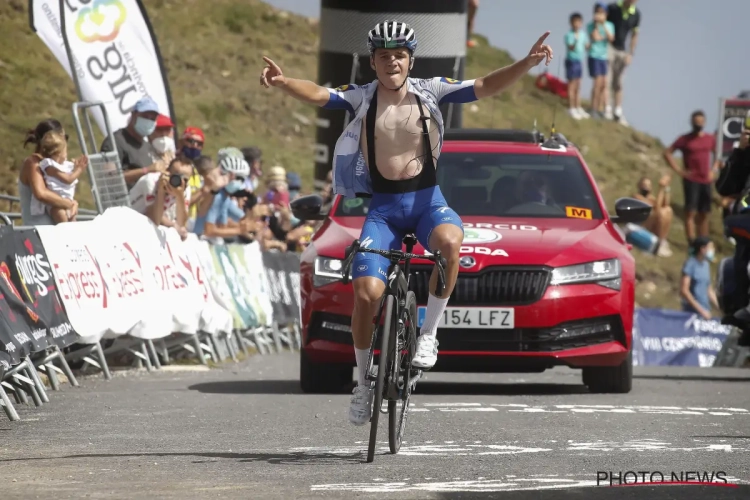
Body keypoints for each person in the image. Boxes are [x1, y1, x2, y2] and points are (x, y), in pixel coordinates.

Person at [260, 20, 553, 425]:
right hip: (383, 211)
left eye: (399, 55)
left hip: (427, 202)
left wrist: (525, 63)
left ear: (409, 60)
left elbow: (485, 85)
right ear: (373, 62)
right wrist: (283, 82)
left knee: (451, 243)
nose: (392, 62)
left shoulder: (430, 90)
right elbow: (319, 94)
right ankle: (364, 383)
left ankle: (429, 334)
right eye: (384, 56)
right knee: (365, 294)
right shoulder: (361, 97)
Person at [663, 110, 720, 244]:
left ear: (704, 122)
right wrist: (679, 170)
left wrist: (714, 170)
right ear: (691, 122)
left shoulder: (710, 138)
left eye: (700, 122)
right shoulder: (684, 139)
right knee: (690, 213)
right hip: (691, 180)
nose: (698, 124)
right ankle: (692, 243)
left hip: (706, 181)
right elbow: (667, 153)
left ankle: (703, 242)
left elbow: (718, 155)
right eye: (696, 122)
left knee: (704, 213)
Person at [19, 119, 79, 225]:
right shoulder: (33, 163)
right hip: (36, 233)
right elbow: (41, 194)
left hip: (52, 232)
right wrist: (68, 204)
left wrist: (73, 202)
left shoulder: (51, 165)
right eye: (65, 137)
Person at [100, 96, 167, 190]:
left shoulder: (148, 147)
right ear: (134, 114)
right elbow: (110, 178)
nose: (148, 121)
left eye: (152, 119)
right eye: (145, 116)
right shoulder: (115, 141)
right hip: (123, 202)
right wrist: (146, 171)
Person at [193, 147, 254, 239]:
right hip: (194, 238)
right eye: (239, 179)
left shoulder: (224, 197)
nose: (241, 183)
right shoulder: (217, 195)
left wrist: (252, 209)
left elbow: (227, 225)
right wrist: (240, 230)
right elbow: (209, 230)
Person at [129, 156, 193, 239]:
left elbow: (181, 223)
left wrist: (179, 196)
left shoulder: (185, 190)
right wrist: (161, 191)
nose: (181, 182)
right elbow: (154, 220)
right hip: (130, 219)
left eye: (185, 179)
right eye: (177, 176)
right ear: (167, 172)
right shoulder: (151, 181)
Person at [33, 130, 87, 223]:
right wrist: (79, 170)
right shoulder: (49, 166)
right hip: (55, 203)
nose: (66, 155)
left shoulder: (63, 165)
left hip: (67, 200)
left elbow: (68, 174)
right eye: (65, 152)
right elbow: (68, 179)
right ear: (58, 154)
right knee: (62, 219)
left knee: (73, 220)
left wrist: (75, 168)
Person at [605, 0, 641, 125]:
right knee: (607, 80)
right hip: (608, 47)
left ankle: (618, 111)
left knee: (619, 82)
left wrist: (630, 53)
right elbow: (602, 24)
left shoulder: (636, 14)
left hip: (622, 51)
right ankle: (607, 109)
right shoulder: (613, 7)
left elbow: (634, 34)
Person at [632, 174, 674, 257]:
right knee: (659, 213)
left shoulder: (651, 198)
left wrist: (666, 188)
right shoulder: (637, 197)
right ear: (639, 186)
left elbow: (665, 204)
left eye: (648, 185)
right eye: (644, 185)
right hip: (641, 227)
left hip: (651, 226)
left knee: (668, 210)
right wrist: (661, 188)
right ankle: (658, 244)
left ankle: (662, 241)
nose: (646, 188)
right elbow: (657, 209)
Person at [680, 236, 718, 320]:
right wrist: (701, 310)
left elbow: (709, 289)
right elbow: (684, 290)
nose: (713, 250)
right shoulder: (690, 264)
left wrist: (721, 307)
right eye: (711, 247)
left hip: (705, 311)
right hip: (691, 313)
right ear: (702, 249)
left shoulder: (706, 265)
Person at [587, 3, 615, 119]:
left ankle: (599, 109)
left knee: (603, 84)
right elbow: (594, 37)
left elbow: (611, 38)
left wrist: (603, 25)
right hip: (594, 55)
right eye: (597, 12)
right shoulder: (591, 25)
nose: (600, 14)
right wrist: (596, 24)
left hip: (604, 57)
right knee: (597, 83)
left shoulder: (609, 25)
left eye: (602, 12)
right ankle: (593, 109)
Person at [564, 12, 590, 120]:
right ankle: (571, 108)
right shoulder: (568, 35)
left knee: (578, 85)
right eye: (575, 22)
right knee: (572, 85)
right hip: (571, 61)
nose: (577, 24)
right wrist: (575, 40)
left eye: (579, 22)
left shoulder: (583, 34)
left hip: (579, 61)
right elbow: (571, 47)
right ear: (571, 23)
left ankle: (578, 107)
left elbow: (587, 46)